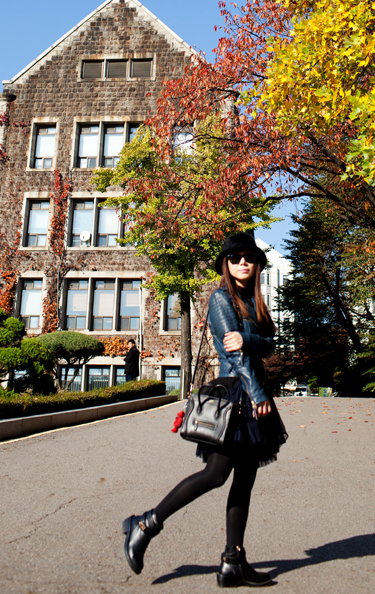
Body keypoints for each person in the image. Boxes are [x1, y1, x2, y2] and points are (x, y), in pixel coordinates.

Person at [122, 232, 287, 587]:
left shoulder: (253, 301)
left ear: (257, 264)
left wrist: (251, 339)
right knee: (216, 475)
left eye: (249, 257)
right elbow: (236, 356)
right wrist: (258, 395)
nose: (243, 262)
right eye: (235, 257)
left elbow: (270, 347)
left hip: (253, 396)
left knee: (244, 480)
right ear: (226, 265)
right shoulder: (221, 300)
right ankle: (144, 525)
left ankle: (233, 561)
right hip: (239, 396)